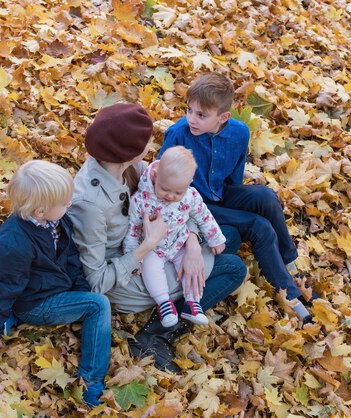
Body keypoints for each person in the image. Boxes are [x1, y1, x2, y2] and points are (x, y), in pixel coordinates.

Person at [68, 103, 247, 372]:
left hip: (158, 243)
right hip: (130, 273)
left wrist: (192, 242)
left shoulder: (132, 167)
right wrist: (148, 246)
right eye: (146, 142)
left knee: (229, 237)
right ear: (127, 150)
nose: (151, 146)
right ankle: (155, 335)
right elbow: (96, 283)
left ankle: (181, 293)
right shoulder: (91, 204)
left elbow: (173, 206)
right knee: (234, 268)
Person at [159, 73, 315, 324]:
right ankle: (291, 295)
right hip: (193, 205)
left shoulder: (239, 133)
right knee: (258, 225)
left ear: (223, 118)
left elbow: (234, 178)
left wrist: (238, 205)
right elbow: (162, 183)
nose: (191, 119)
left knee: (265, 196)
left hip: (221, 193)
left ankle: (290, 262)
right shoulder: (179, 134)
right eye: (189, 110)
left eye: (201, 115)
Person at [0, 160, 111, 407]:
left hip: (51, 286)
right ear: (39, 210)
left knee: (91, 297)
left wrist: (80, 289)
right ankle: (91, 380)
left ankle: (13, 316)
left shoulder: (56, 220)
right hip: (36, 303)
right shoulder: (14, 242)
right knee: (99, 305)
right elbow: (3, 287)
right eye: (64, 202)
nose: (69, 204)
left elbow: (70, 255)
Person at [124, 146, 226, 327]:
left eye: (178, 192)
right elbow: (132, 230)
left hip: (178, 241)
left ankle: (192, 303)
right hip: (152, 247)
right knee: (151, 269)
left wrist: (215, 238)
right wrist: (134, 257)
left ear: (189, 183)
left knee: (189, 268)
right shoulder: (141, 200)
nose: (170, 196)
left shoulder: (190, 196)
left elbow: (203, 216)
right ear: (155, 175)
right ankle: (164, 303)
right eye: (165, 189)